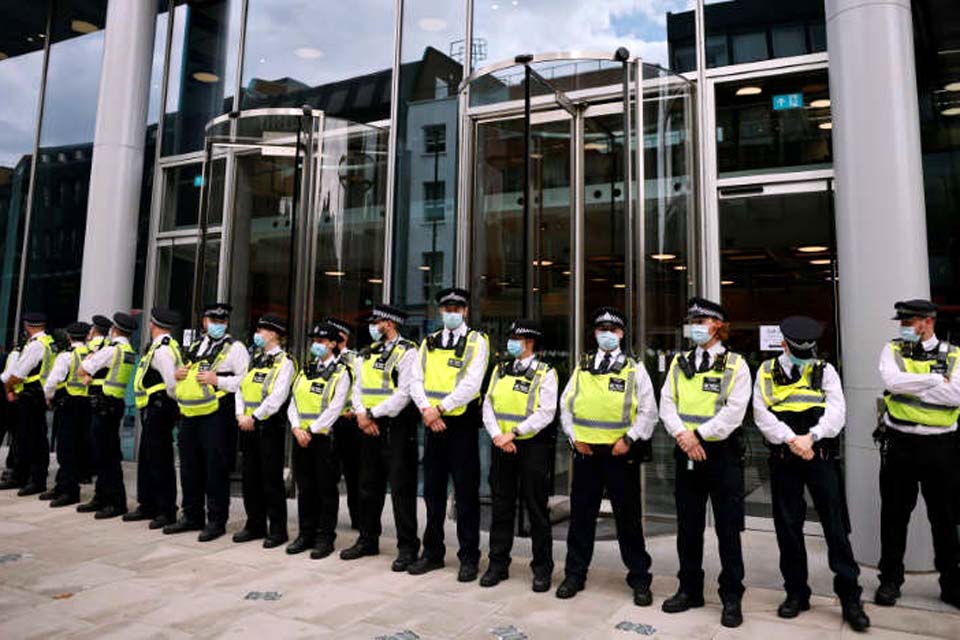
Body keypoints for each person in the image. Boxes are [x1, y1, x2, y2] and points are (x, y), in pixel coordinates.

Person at [753, 315, 870, 632]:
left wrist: (812, 438)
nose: (805, 354)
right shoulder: (766, 371)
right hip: (784, 456)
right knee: (788, 528)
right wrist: (793, 440)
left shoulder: (825, 370)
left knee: (835, 528)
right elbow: (761, 413)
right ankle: (796, 593)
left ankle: (850, 599)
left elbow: (837, 412)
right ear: (784, 344)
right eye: (798, 348)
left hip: (819, 456)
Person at [555, 307, 657, 605]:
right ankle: (574, 574)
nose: (607, 334)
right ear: (594, 334)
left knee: (628, 519)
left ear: (622, 334)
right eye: (602, 329)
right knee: (581, 517)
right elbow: (566, 406)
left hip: (619, 453)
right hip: (586, 453)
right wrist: (575, 439)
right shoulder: (583, 366)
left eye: (613, 330)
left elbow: (649, 411)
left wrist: (630, 439)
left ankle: (639, 578)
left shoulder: (634, 368)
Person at [659, 297, 750, 628]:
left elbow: (735, 411)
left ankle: (731, 597)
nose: (694, 326)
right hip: (686, 452)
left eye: (700, 321)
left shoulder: (736, 365)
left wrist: (697, 435)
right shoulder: (679, 361)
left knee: (728, 530)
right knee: (688, 527)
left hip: (721, 454)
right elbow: (667, 402)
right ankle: (689, 590)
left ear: (717, 325)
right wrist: (684, 436)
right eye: (692, 320)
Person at [875, 299, 960, 609]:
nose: (904, 327)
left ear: (927, 322)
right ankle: (890, 581)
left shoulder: (953, 354)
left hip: (941, 446)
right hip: (900, 444)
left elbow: (957, 393)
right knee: (894, 516)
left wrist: (914, 386)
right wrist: (936, 380)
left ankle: (951, 583)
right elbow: (892, 381)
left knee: (945, 518)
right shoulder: (893, 350)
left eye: (909, 322)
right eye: (902, 322)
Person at [410, 288, 489, 582]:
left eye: (457, 308)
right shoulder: (428, 342)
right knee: (432, 493)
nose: (452, 313)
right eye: (447, 308)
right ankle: (432, 553)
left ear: (466, 311)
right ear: (440, 311)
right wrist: (426, 410)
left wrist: (439, 408)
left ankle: (469, 557)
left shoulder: (476, 341)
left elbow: (472, 383)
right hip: (433, 424)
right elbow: (415, 379)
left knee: (466, 495)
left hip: (460, 426)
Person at [340, 304, 421, 571]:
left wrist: (372, 414)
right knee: (368, 486)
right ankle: (367, 539)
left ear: (390, 323)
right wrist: (363, 415)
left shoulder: (408, 351)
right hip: (368, 425)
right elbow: (358, 388)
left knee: (401, 489)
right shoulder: (367, 352)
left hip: (396, 427)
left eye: (377, 322)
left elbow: (404, 393)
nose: (373, 327)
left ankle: (407, 547)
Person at [480, 319, 558, 592]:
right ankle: (497, 564)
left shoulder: (545, 372)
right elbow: (487, 404)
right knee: (501, 507)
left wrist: (513, 433)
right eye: (511, 336)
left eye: (517, 338)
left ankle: (542, 569)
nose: (512, 341)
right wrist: (497, 437)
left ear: (531, 342)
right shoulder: (500, 370)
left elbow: (546, 412)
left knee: (536, 508)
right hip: (502, 445)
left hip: (531, 447)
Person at [166, 302, 248, 542]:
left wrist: (218, 380)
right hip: (190, 414)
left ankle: (216, 521)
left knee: (215, 468)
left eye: (221, 322)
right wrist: (177, 374)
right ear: (204, 322)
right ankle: (191, 515)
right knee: (190, 467)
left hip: (217, 415)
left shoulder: (236, 349)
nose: (217, 326)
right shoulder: (194, 345)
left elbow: (244, 381)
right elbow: (183, 373)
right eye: (213, 321)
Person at [286, 323, 350, 559]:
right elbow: (293, 401)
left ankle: (325, 537)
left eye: (321, 342)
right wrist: (295, 427)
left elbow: (335, 407)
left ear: (333, 344)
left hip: (323, 438)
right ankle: (306, 534)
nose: (317, 345)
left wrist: (310, 430)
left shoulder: (341, 372)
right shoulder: (306, 369)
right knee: (305, 488)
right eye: (315, 341)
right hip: (300, 436)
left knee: (325, 489)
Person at [234, 314, 295, 548]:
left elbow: (277, 397)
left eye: (261, 330)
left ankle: (277, 529)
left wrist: (254, 416)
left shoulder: (285, 362)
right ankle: (254, 524)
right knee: (250, 478)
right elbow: (241, 387)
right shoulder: (255, 359)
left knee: (271, 479)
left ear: (273, 334)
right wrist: (241, 414)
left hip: (268, 426)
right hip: (247, 424)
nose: (257, 334)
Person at [125, 308, 182, 530]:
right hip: (153, 408)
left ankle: (166, 510)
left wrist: (169, 406)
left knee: (160, 460)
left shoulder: (164, 350)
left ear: (152, 324)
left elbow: (171, 384)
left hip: (160, 408)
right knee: (148, 458)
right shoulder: (158, 347)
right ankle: (147, 503)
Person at [77, 312, 138, 519]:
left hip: (103, 405)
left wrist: (89, 364)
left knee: (105, 455)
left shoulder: (112, 350)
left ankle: (114, 501)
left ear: (114, 330)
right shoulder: (128, 350)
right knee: (106, 453)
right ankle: (101, 497)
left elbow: (82, 369)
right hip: (114, 404)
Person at [1, 312, 54, 496]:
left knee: (30, 439)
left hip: (30, 397)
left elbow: (19, 373)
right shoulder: (49, 343)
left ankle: (32, 479)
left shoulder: (35, 346)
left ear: (27, 326)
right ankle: (27, 477)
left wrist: (8, 388)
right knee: (36, 438)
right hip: (39, 396)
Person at [40, 322, 92, 507]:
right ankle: (63, 485)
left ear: (69, 337)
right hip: (87, 405)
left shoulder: (67, 355)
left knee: (66, 448)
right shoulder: (91, 353)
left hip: (69, 405)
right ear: (87, 337)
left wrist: (48, 397)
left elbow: (53, 381)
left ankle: (68, 490)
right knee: (79, 446)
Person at [325, 315, 361, 530]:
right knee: (328, 474)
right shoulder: (322, 361)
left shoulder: (355, 360)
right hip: (325, 423)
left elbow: (360, 389)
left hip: (348, 424)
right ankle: (326, 517)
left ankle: (358, 518)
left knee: (353, 474)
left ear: (344, 338)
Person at [0, 334, 25, 487]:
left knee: (16, 436)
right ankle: (12, 466)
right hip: (13, 399)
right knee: (16, 436)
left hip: (10, 399)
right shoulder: (13, 356)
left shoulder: (13, 355)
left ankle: (13, 467)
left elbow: (6, 377)